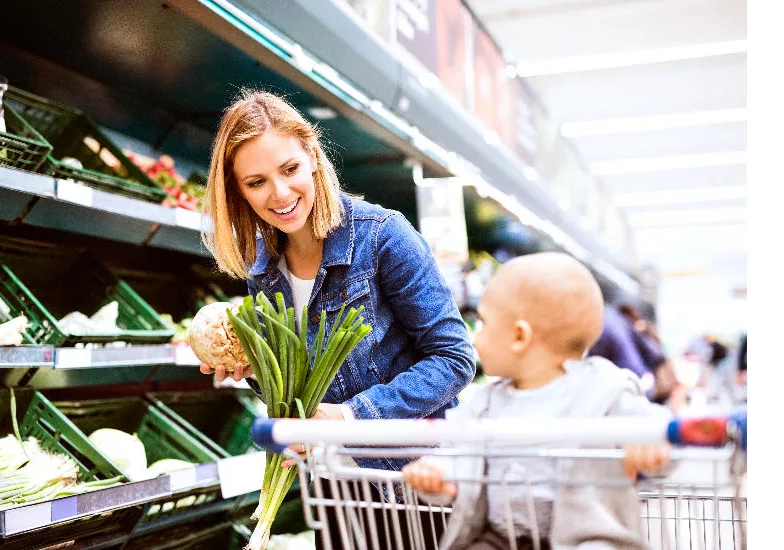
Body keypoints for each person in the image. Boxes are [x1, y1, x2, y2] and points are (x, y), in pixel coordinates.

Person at [196, 90, 476, 545]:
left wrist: (352, 417)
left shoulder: (383, 237)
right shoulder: (263, 270)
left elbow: (454, 358)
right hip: (338, 493)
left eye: (289, 170)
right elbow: (298, 391)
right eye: (256, 182)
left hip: (420, 483)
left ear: (311, 155)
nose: (280, 193)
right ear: (236, 191)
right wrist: (255, 371)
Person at [403, 252, 672, 550]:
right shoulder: (487, 401)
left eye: (483, 323)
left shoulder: (604, 386)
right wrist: (436, 472)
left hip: (587, 536)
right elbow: (456, 452)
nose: (474, 337)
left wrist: (653, 441)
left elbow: (655, 421)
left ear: (520, 336)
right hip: (501, 537)